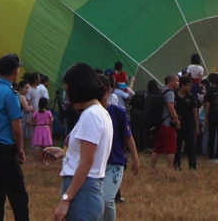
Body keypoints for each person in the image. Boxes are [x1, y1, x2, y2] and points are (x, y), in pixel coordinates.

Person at [55, 63, 112, 221]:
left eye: (68, 92)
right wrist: (64, 152)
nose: (68, 97)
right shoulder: (100, 112)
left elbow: (87, 162)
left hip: (83, 192)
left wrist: (66, 200)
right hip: (88, 190)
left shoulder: (91, 115)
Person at [0, 54, 30, 221]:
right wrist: (18, 150)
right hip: (4, 149)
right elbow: (17, 129)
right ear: (16, 71)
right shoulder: (11, 94)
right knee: (19, 196)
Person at [98, 74, 139, 221]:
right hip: (95, 163)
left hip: (114, 161)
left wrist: (135, 158)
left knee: (107, 199)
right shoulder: (89, 113)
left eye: (102, 89)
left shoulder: (118, 112)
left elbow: (128, 136)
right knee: (96, 201)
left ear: (109, 90)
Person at [149, 74, 179, 171]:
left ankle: (151, 168)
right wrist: (177, 120)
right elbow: (171, 108)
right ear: (171, 81)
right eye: (177, 81)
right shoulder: (170, 93)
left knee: (158, 147)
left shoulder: (161, 90)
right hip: (167, 123)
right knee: (171, 148)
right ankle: (170, 169)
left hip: (159, 123)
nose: (178, 83)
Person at [173, 75, 199, 171]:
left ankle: (192, 165)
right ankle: (177, 165)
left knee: (191, 146)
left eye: (190, 86)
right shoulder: (174, 95)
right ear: (182, 85)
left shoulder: (191, 97)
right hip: (178, 125)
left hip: (189, 125)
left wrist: (197, 126)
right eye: (188, 85)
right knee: (177, 146)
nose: (190, 87)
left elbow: (195, 112)